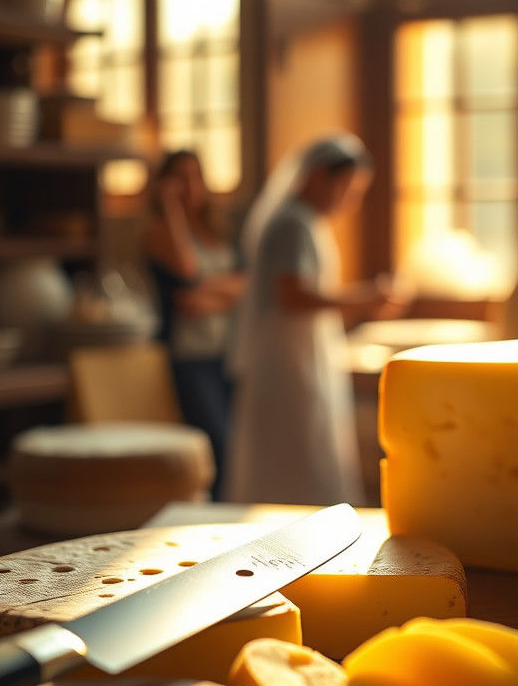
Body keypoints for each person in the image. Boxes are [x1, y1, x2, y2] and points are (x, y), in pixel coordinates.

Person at [226, 133, 403, 506]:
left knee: (304, 447)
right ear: (319, 177)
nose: (350, 201)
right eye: (347, 188)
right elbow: (292, 295)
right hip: (289, 361)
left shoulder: (304, 222)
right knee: (298, 448)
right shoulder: (293, 224)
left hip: (298, 353)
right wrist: (364, 298)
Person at [142, 150, 244, 499]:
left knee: (237, 443)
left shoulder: (216, 230)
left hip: (228, 350)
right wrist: (170, 208)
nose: (188, 187)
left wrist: (209, 294)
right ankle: (213, 513)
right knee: (216, 440)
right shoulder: (159, 232)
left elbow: (245, 285)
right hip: (190, 355)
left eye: (194, 177)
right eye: (179, 179)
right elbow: (187, 270)